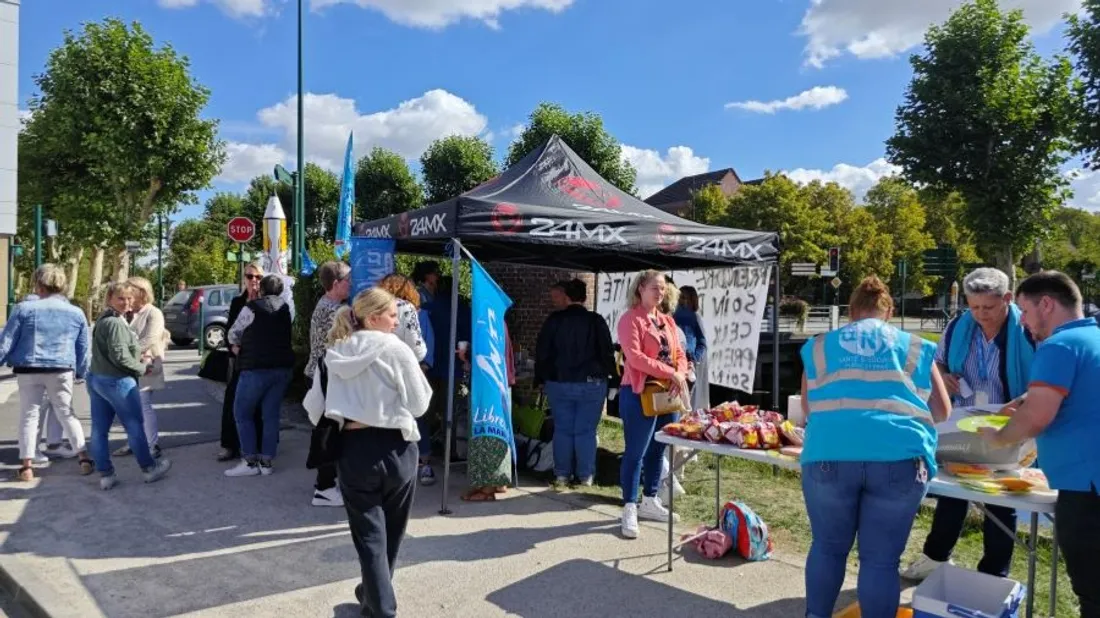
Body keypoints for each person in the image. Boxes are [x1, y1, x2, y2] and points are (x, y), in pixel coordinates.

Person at [799, 275, 950, 618]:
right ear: (890, 310)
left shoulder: (820, 346)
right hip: (899, 458)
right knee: (881, 561)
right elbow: (942, 411)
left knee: (827, 548)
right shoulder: (914, 345)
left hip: (829, 455)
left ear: (850, 311)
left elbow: (809, 408)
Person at [302, 288, 432, 618]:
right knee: (391, 532)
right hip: (397, 447)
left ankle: (374, 596)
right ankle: (381, 605)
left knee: (369, 536)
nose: (396, 321)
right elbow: (419, 404)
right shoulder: (396, 349)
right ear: (373, 317)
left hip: (354, 449)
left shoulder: (334, 352)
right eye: (392, 315)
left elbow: (314, 408)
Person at [902, 268, 1034, 581]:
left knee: (1002, 499)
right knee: (952, 491)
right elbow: (940, 361)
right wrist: (944, 377)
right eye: (974, 307)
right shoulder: (959, 325)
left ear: (1007, 299)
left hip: (1009, 424)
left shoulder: (1027, 330)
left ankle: (993, 572)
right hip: (963, 418)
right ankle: (936, 557)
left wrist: (1025, 403)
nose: (980, 315)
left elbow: (1044, 379)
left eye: (988, 308)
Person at [981, 271, 1100, 618]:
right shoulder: (1092, 337)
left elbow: (1036, 417)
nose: (1024, 324)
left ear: (1046, 304)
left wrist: (999, 437)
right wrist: (1029, 397)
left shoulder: (1058, 345)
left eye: (1025, 312)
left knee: (1093, 593)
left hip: (1086, 488)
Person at [0, 264, 95, 480]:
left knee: (29, 414)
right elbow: (82, 348)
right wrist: (82, 372)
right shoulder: (76, 312)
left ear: (39, 285)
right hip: (61, 368)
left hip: (28, 368)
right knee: (66, 412)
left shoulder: (24, 309)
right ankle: (83, 457)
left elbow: (6, 342)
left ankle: (27, 465)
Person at [616, 270, 689, 539]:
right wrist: (670, 373)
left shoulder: (667, 321)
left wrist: (679, 373)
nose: (660, 293)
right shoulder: (630, 320)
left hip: (666, 394)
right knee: (636, 451)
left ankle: (650, 498)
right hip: (638, 394)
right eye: (655, 288)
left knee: (658, 450)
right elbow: (634, 358)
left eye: (663, 289)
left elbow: (680, 352)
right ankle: (629, 505)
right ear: (640, 290)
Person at [88, 282, 173, 490]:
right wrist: (143, 368)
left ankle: (106, 474)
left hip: (98, 378)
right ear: (110, 298)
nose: (127, 302)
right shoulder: (116, 323)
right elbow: (120, 357)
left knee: (99, 429)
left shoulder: (105, 319)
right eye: (121, 298)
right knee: (134, 426)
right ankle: (149, 468)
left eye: (129, 298)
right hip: (117, 381)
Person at [535, 278, 615, 488]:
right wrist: (614, 378)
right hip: (591, 383)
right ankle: (585, 475)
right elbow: (607, 352)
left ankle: (561, 474)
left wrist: (540, 378)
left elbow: (542, 351)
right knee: (585, 430)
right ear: (585, 296)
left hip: (559, 382)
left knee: (562, 429)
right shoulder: (596, 320)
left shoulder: (554, 320)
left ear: (567, 296)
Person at [225, 274, 295, 477]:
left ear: (261, 290)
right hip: (282, 368)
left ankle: (249, 461)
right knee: (271, 415)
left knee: (242, 413)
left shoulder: (251, 308)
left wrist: (239, 347)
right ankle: (266, 461)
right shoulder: (286, 309)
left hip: (254, 368)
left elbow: (233, 333)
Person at [305, 261, 352, 507]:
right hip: (324, 376)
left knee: (328, 429)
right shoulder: (334, 310)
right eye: (348, 281)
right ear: (336, 284)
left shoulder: (329, 304)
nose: (351, 285)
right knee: (328, 431)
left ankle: (326, 482)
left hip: (321, 373)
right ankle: (324, 487)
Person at [377, 274, 431, 484]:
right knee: (412, 418)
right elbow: (418, 350)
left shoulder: (372, 307)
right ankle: (417, 465)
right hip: (402, 372)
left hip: (377, 374)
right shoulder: (407, 308)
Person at [113, 276, 168, 460]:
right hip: (130, 366)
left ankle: (152, 445)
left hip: (147, 365)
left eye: (131, 290)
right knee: (129, 406)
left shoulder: (154, 313)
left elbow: (150, 339)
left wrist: (126, 354)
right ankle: (134, 441)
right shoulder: (126, 312)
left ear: (141, 293)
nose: (127, 295)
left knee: (144, 404)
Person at [217, 262, 266, 462]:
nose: (253, 280)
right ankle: (229, 445)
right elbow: (229, 330)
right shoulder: (238, 302)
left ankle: (258, 445)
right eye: (249, 276)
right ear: (243, 278)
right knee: (232, 401)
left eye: (258, 277)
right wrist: (233, 348)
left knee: (259, 404)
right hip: (240, 359)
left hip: (260, 360)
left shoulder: (267, 302)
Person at [674, 285, 709, 411]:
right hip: (675, 362)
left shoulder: (695, 318)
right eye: (680, 297)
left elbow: (702, 342)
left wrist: (695, 359)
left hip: (690, 364)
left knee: (687, 400)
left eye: (686, 298)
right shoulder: (671, 316)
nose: (683, 301)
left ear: (693, 300)